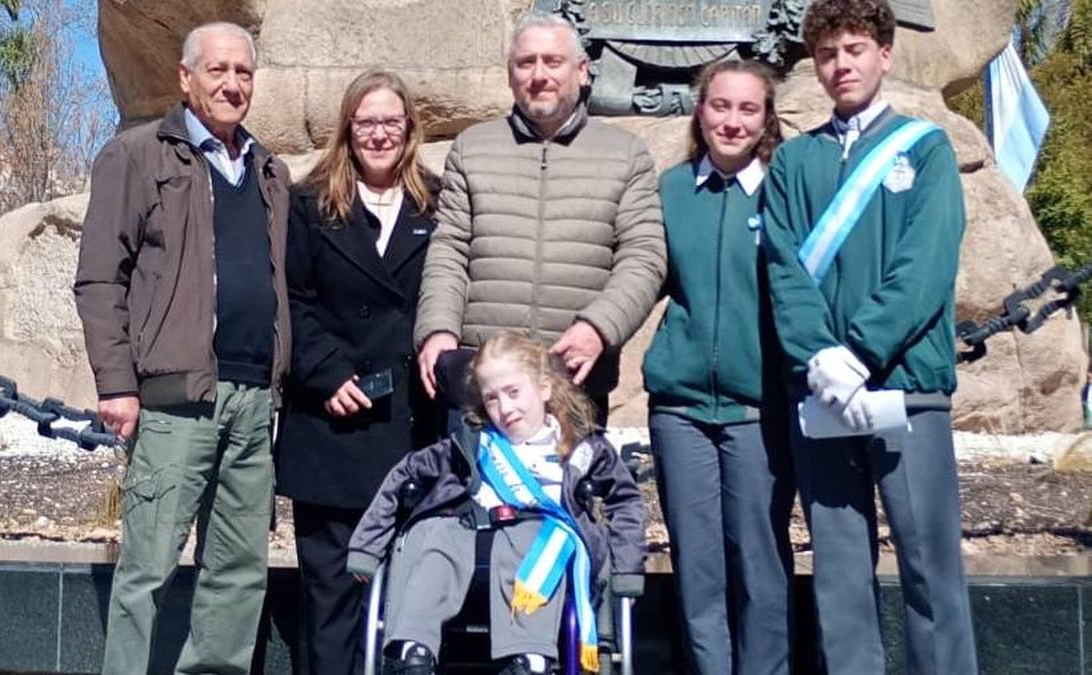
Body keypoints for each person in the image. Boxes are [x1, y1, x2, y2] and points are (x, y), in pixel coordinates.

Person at [761, 0, 978, 672]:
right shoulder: (794, 162)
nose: (840, 65)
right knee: (840, 571)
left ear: (884, 55)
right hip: (822, 389)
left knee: (929, 569)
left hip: (906, 386)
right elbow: (783, 267)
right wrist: (821, 356)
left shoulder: (927, 148)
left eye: (854, 50)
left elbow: (926, 265)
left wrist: (858, 350)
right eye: (827, 54)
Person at [73, 22, 291, 675]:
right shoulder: (137, 156)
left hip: (254, 404)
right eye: (217, 70)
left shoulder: (269, 170)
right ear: (185, 77)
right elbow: (99, 277)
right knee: (146, 573)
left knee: (237, 576)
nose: (231, 84)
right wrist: (117, 382)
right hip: (174, 402)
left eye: (243, 73)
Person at [413, 11, 666, 426]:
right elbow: (450, 249)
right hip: (483, 379)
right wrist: (438, 329)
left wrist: (598, 328)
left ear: (583, 71)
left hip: (572, 377)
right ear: (511, 75)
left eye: (553, 61)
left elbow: (644, 256)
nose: (539, 74)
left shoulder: (626, 153)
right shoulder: (471, 148)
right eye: (525, 62)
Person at [347, 332, 646, 675]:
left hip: (542, 544)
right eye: (492, 399)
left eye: (514, 392)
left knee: (525, 539)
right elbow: (404, 475)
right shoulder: (471, 444)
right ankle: (412, 650)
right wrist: (367, 546)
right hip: (472, 534)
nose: (505, 408)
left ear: (545, 388)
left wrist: (627, 566)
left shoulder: (582, 448)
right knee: (436, 536)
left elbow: (626, 501)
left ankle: (529, 657)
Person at [275, 70, 439, 675]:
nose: (378, 134)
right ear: (348, 129)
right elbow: (292, 299)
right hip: (333, 429)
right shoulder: (309, 205)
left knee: (414, 601)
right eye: (366, 122)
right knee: (333, 602)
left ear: (409, 129)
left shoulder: (440, 202)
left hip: (414, 429)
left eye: (390, 122)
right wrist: (325, 372)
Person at [642, 60, 793, 675]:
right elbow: (639, 277)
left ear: (765, 119)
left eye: (747, 109)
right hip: (680, 411)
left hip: (758, 408)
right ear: (700, 111)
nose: (731, 121)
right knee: (698, 567)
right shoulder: (672, 191)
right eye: (720, 106)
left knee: (759, 561)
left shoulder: (785, 191)